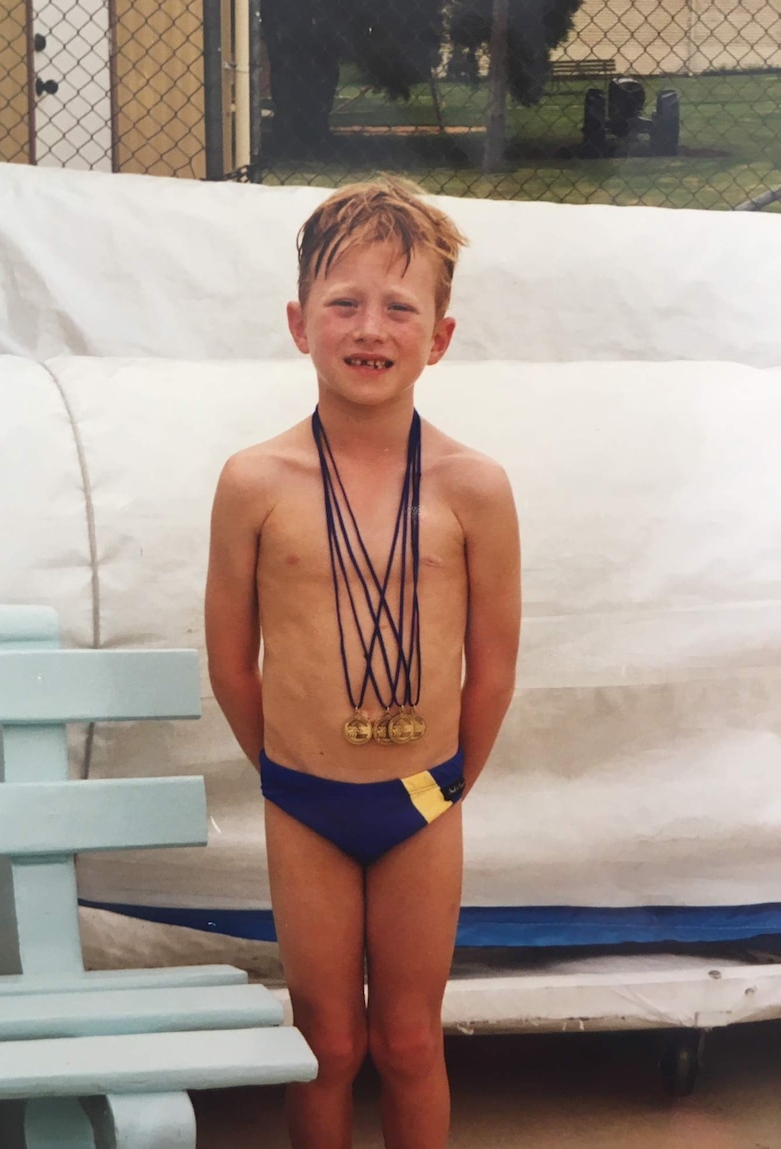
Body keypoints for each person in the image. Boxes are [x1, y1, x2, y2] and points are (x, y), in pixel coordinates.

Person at [205, 178, 521, 1149]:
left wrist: (447, 783)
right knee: (327, 1042)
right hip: (304, 800)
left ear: (440, 336)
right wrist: (285, 771)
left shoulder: (474, 488)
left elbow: (494, 662)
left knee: (410, 1040)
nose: (368, 327)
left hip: (420, 804)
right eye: (343, 302)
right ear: (300, 324)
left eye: (399, 306)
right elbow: (229, 655)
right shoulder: (254, 482)